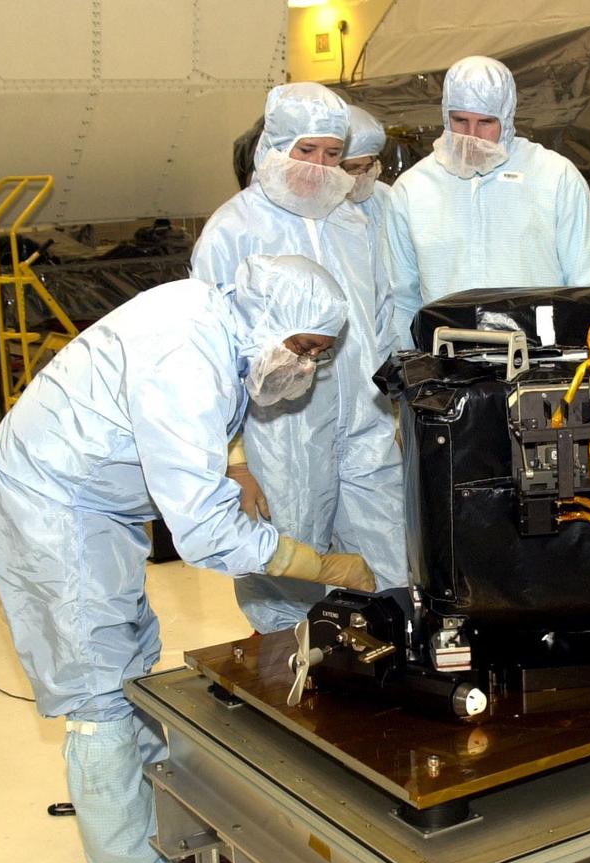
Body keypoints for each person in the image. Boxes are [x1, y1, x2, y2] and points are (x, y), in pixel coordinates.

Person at [0, 255, 375, 863]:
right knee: (97, 677)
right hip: (54, 497)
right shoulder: (184, 359)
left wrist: (235, 462)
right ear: (269, 319)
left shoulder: (220, 317)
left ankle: (149, 795)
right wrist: (321, 565)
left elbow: (215, 408)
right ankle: (128, 859)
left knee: (131, 649)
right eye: (301, 348)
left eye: (318, 355)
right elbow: (206, 533)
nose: (304, 366)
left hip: (96, 493)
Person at [192, 83, 407, 635]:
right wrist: (233, 459)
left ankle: (376, 665)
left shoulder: (354, 224)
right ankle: (284, 676)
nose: (319, 167)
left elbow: (382, 321)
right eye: (306, 151)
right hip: (279, 435)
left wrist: (399, 408)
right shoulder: (232, 231)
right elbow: (208, 360)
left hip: (366, 421)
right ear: (275, 144)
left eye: (332, 155)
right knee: (285, 565)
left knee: (386, 555)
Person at [382, 55, 590, 349]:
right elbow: (401, 299)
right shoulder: (413, 190)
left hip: (541, 363)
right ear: (445, 115)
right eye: (460, 121)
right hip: (448, 367)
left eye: (486, 122)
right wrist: (408, 373)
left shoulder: (554, 178)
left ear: (507, 118)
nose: (472, 136)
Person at [341, 103, 397, 362]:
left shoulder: (388, 200)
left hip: (386, 339)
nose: (362, 176)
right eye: (353, 168)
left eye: (369, 166)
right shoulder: (318, 213)